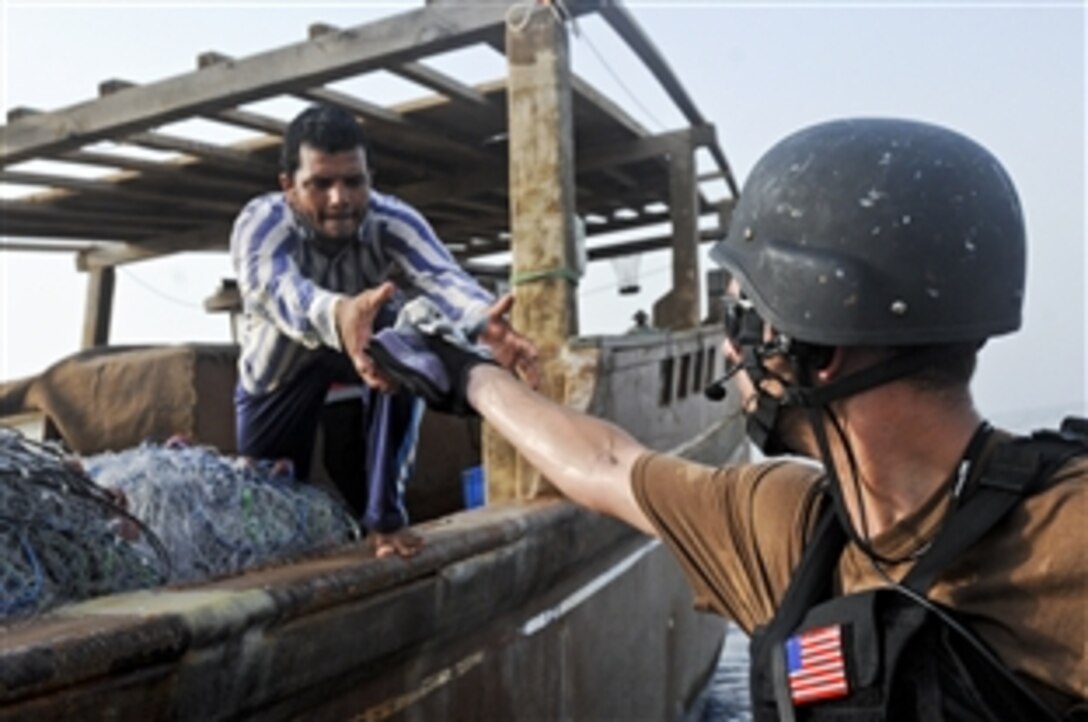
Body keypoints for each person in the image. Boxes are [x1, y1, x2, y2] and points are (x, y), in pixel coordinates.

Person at [376, 118, 1087, 719]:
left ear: (820, 347)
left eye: (743, 313)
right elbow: (605, 465)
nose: (728, 345)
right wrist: (470, 375)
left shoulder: (1071, 536)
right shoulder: (789, 531)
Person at [229, 104, 538, 559]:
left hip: (369, 360)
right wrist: (339, 314)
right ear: (289, 188)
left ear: (369, 178)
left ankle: (385, 519)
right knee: (266, 491)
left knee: (404, 331)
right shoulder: (261, 225)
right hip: (282, 369)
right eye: (321, 184)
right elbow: (277, 290)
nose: (340, 199)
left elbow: (442, 278)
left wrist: (480, 321)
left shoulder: (393, 221)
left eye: (353, 181)